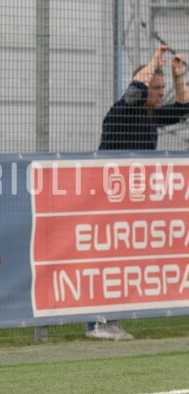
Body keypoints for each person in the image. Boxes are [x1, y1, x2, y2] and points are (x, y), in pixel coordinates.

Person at [93, 44, 189, 340]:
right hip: (105, 200)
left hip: (131, 203)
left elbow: (185, 108)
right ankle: (97, 323)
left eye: (163, 88)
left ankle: (111, 321)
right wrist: (153, 61)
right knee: (104, 259)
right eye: (156, 87)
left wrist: (176, 76)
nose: (161, 93)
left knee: (122, 260)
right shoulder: (122, 110)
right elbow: (135, 89)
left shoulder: (152, 116)